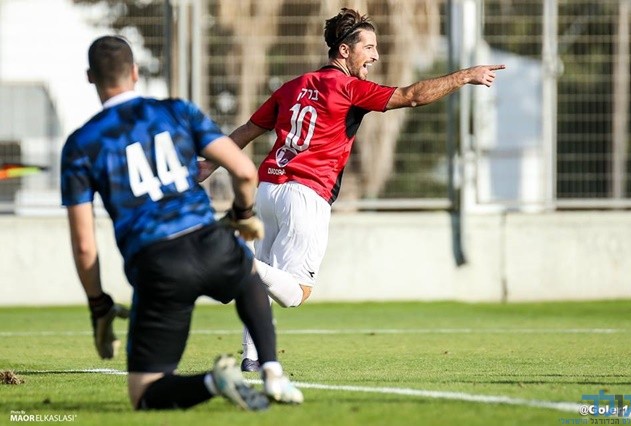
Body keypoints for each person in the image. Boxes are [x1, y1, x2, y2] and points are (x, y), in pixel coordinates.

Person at [199, 8, 506, 372]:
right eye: (369, 47)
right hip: (305, 194)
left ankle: (252, 358)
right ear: (344, 51)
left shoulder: (293, 86)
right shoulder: (348, 88)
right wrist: (465, 75)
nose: (375, 55)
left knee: (262, 280)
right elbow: (412, 95)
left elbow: (248, 130)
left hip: (268, 189)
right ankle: (236, 258)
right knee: (295, 293)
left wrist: (210, 164)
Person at [60, 35, 303, 410]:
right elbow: (243, 171)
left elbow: (83, 245)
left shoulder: (81, 144)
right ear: (135, 73)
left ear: (90, 77)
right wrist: (242, 216)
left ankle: (213, 381)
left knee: (144, 393)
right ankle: (272, 370)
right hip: (209, 240)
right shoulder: (176, 111)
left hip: (157, 263)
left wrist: (98, 304)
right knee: (247, 274)